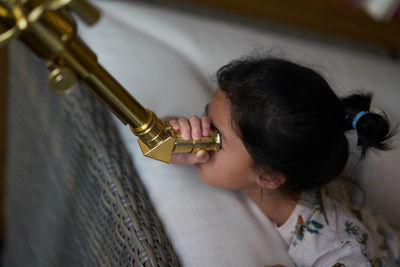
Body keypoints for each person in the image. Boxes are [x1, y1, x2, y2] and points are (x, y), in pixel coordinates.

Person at [168, 55, 399, 266]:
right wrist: (176, 136)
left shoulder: (333, 247)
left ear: (269, 176)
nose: (202, 136)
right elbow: (159, 130)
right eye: (205, 114)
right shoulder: (299, 160)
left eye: (215, 138)